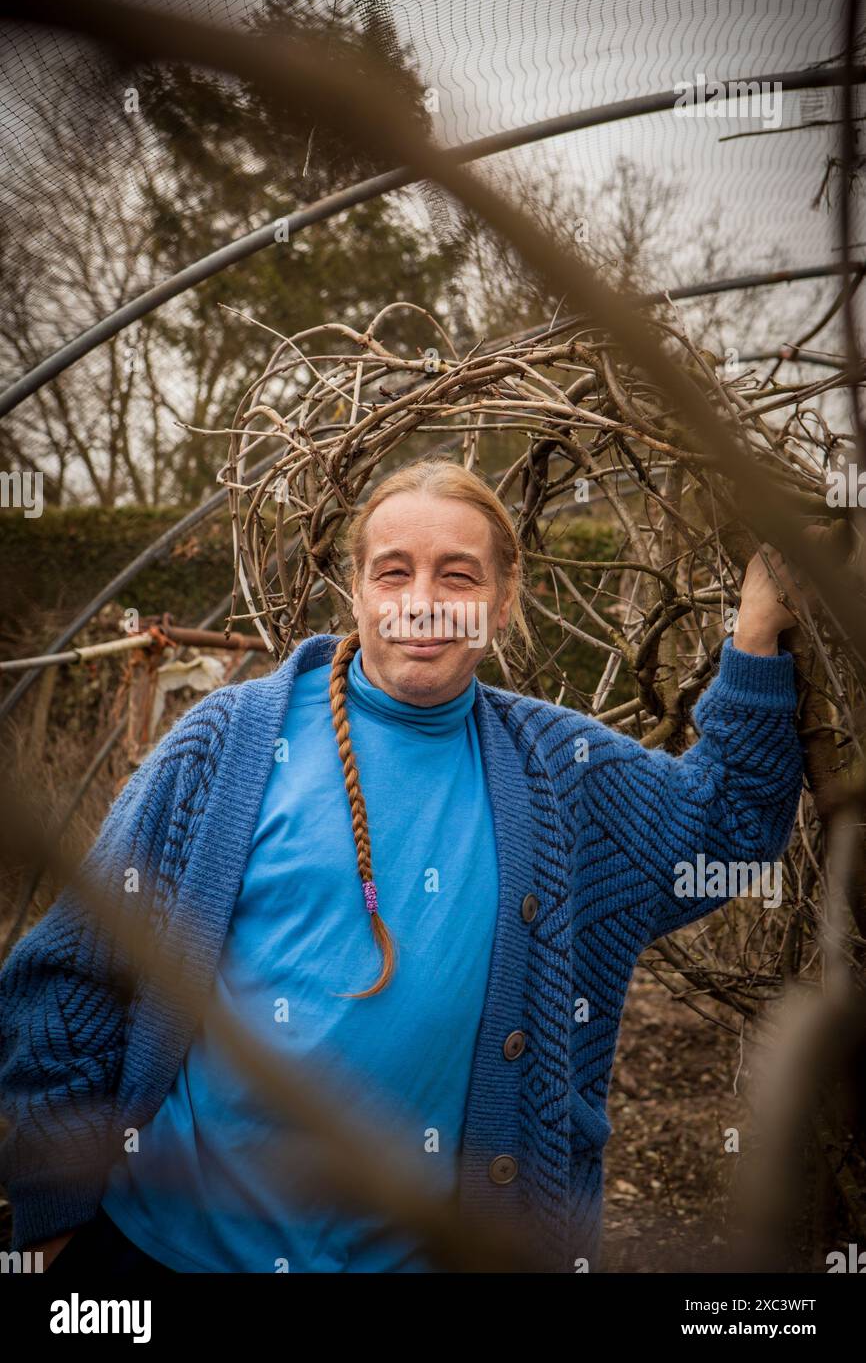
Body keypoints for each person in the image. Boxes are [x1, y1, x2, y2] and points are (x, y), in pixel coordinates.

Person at [0, 456, 808, 1274]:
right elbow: (67, 979)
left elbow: (727, 821)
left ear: (503, 598)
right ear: (357, 588)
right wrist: (55, 1224)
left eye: (458, 576)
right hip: (163, 1253)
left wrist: (755, 632)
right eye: (395, 572)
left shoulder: (559, 774)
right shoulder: (228, 747)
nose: (422, 604)